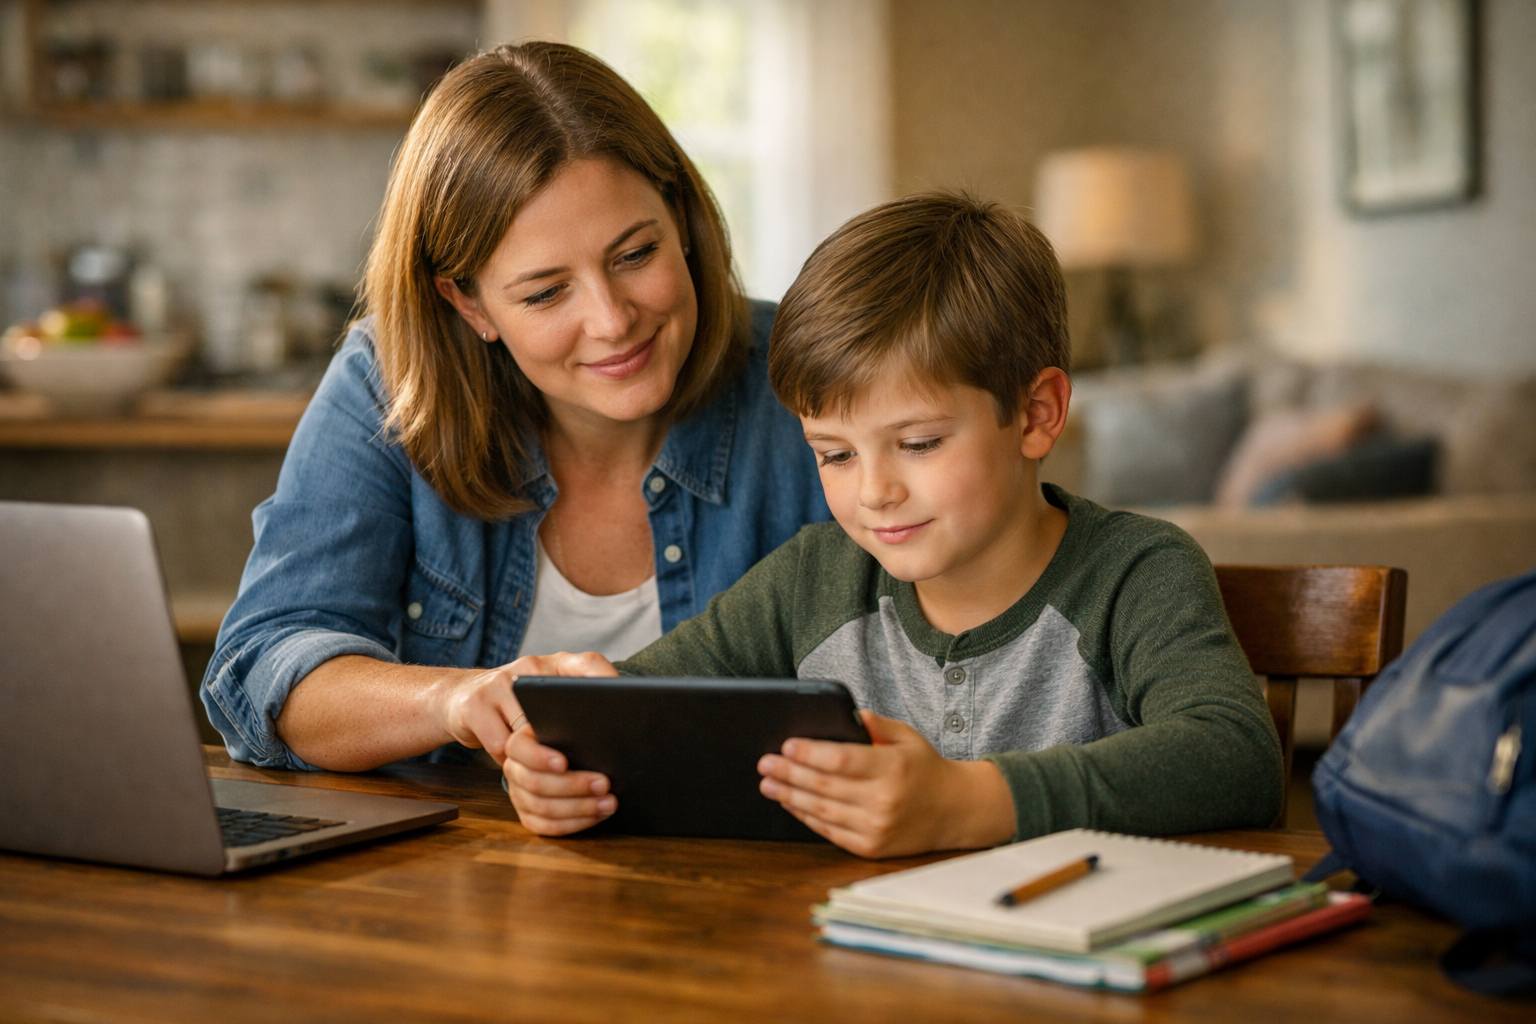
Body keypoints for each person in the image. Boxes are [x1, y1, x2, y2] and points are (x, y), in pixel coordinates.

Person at [503, 191, 1285, 857]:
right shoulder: (815, 576)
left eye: (917, 444)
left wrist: (967, 802)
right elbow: (634, 704)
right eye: (834, 454)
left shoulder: (1135, 574)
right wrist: (557, 764)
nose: (874, 492)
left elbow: (1234, 755)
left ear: (1036, 414)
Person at [201, 42, 829, 774]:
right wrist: (457, 702)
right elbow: (264, 667)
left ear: (682, 220)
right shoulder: (389, 385)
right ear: (468, 303)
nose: (611, 319)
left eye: (634, 255)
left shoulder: (809, 373)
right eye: (545, 292)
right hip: (460, 878)